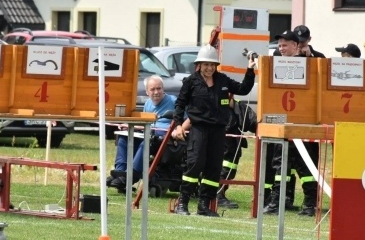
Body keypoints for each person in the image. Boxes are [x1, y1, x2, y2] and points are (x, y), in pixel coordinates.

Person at [171, 45, 255, 216]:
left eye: (212, 65)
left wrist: (250, 70)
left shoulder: (223, 80)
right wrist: (178, 125)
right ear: (199, 65)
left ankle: (204, 206)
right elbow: (180, 104)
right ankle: (183, 203)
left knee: (213, 168)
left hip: (218, 131)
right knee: (194, 165)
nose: (209, 68)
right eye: (205, 64)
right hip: (199, 130)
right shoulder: (191, 81)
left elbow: (243, 89)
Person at [264, 30, 323, 216]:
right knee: (280, 165)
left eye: (285, 45)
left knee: (306, 166)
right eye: (279, 45)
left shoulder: (310, 64)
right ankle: (277, 202)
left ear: (296, 46)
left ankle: (309, 204)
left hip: (304, 123)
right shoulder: (274, 64)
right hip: (282, 123)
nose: (281, 49)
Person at [107, 75, 176, 193]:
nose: (156, 92)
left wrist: (178, 129)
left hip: (163, 137)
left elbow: (186, 120)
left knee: (146, 142)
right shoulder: (148, 104)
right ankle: (120, 172)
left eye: (159, 88)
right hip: (148, 132)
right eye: (152, 89)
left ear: (163, 89)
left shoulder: (173, 101)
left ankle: (132, 175)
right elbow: (145, 122)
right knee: (124, 137)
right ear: (147, 92)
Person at [216, 96, 257, 208]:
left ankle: (219, 194)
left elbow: (252, 122)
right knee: (221, 169)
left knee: (228, 170)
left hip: (231, 146)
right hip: (222, 144)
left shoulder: (237, 105)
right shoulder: (212, 102)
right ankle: (217, 196)